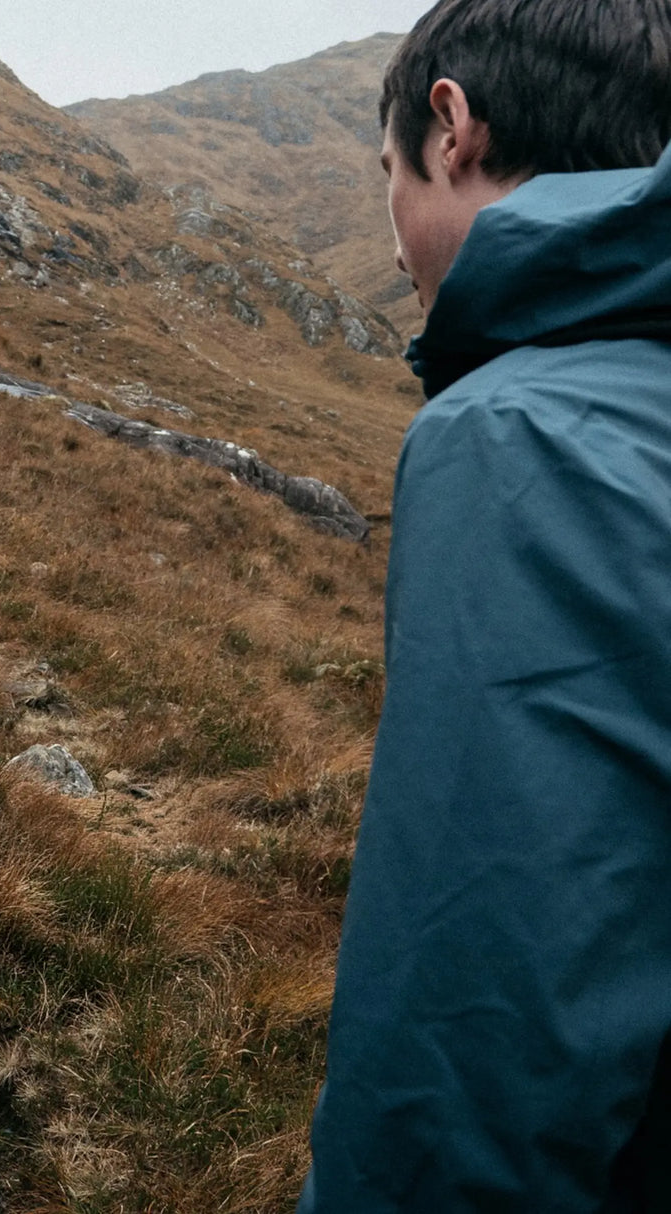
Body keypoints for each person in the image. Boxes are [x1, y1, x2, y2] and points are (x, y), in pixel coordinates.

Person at [298, 1, 671, 1210]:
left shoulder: (520, 432)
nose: (398, 239)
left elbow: (477, 1013)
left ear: (450, 126)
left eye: (388, 176)